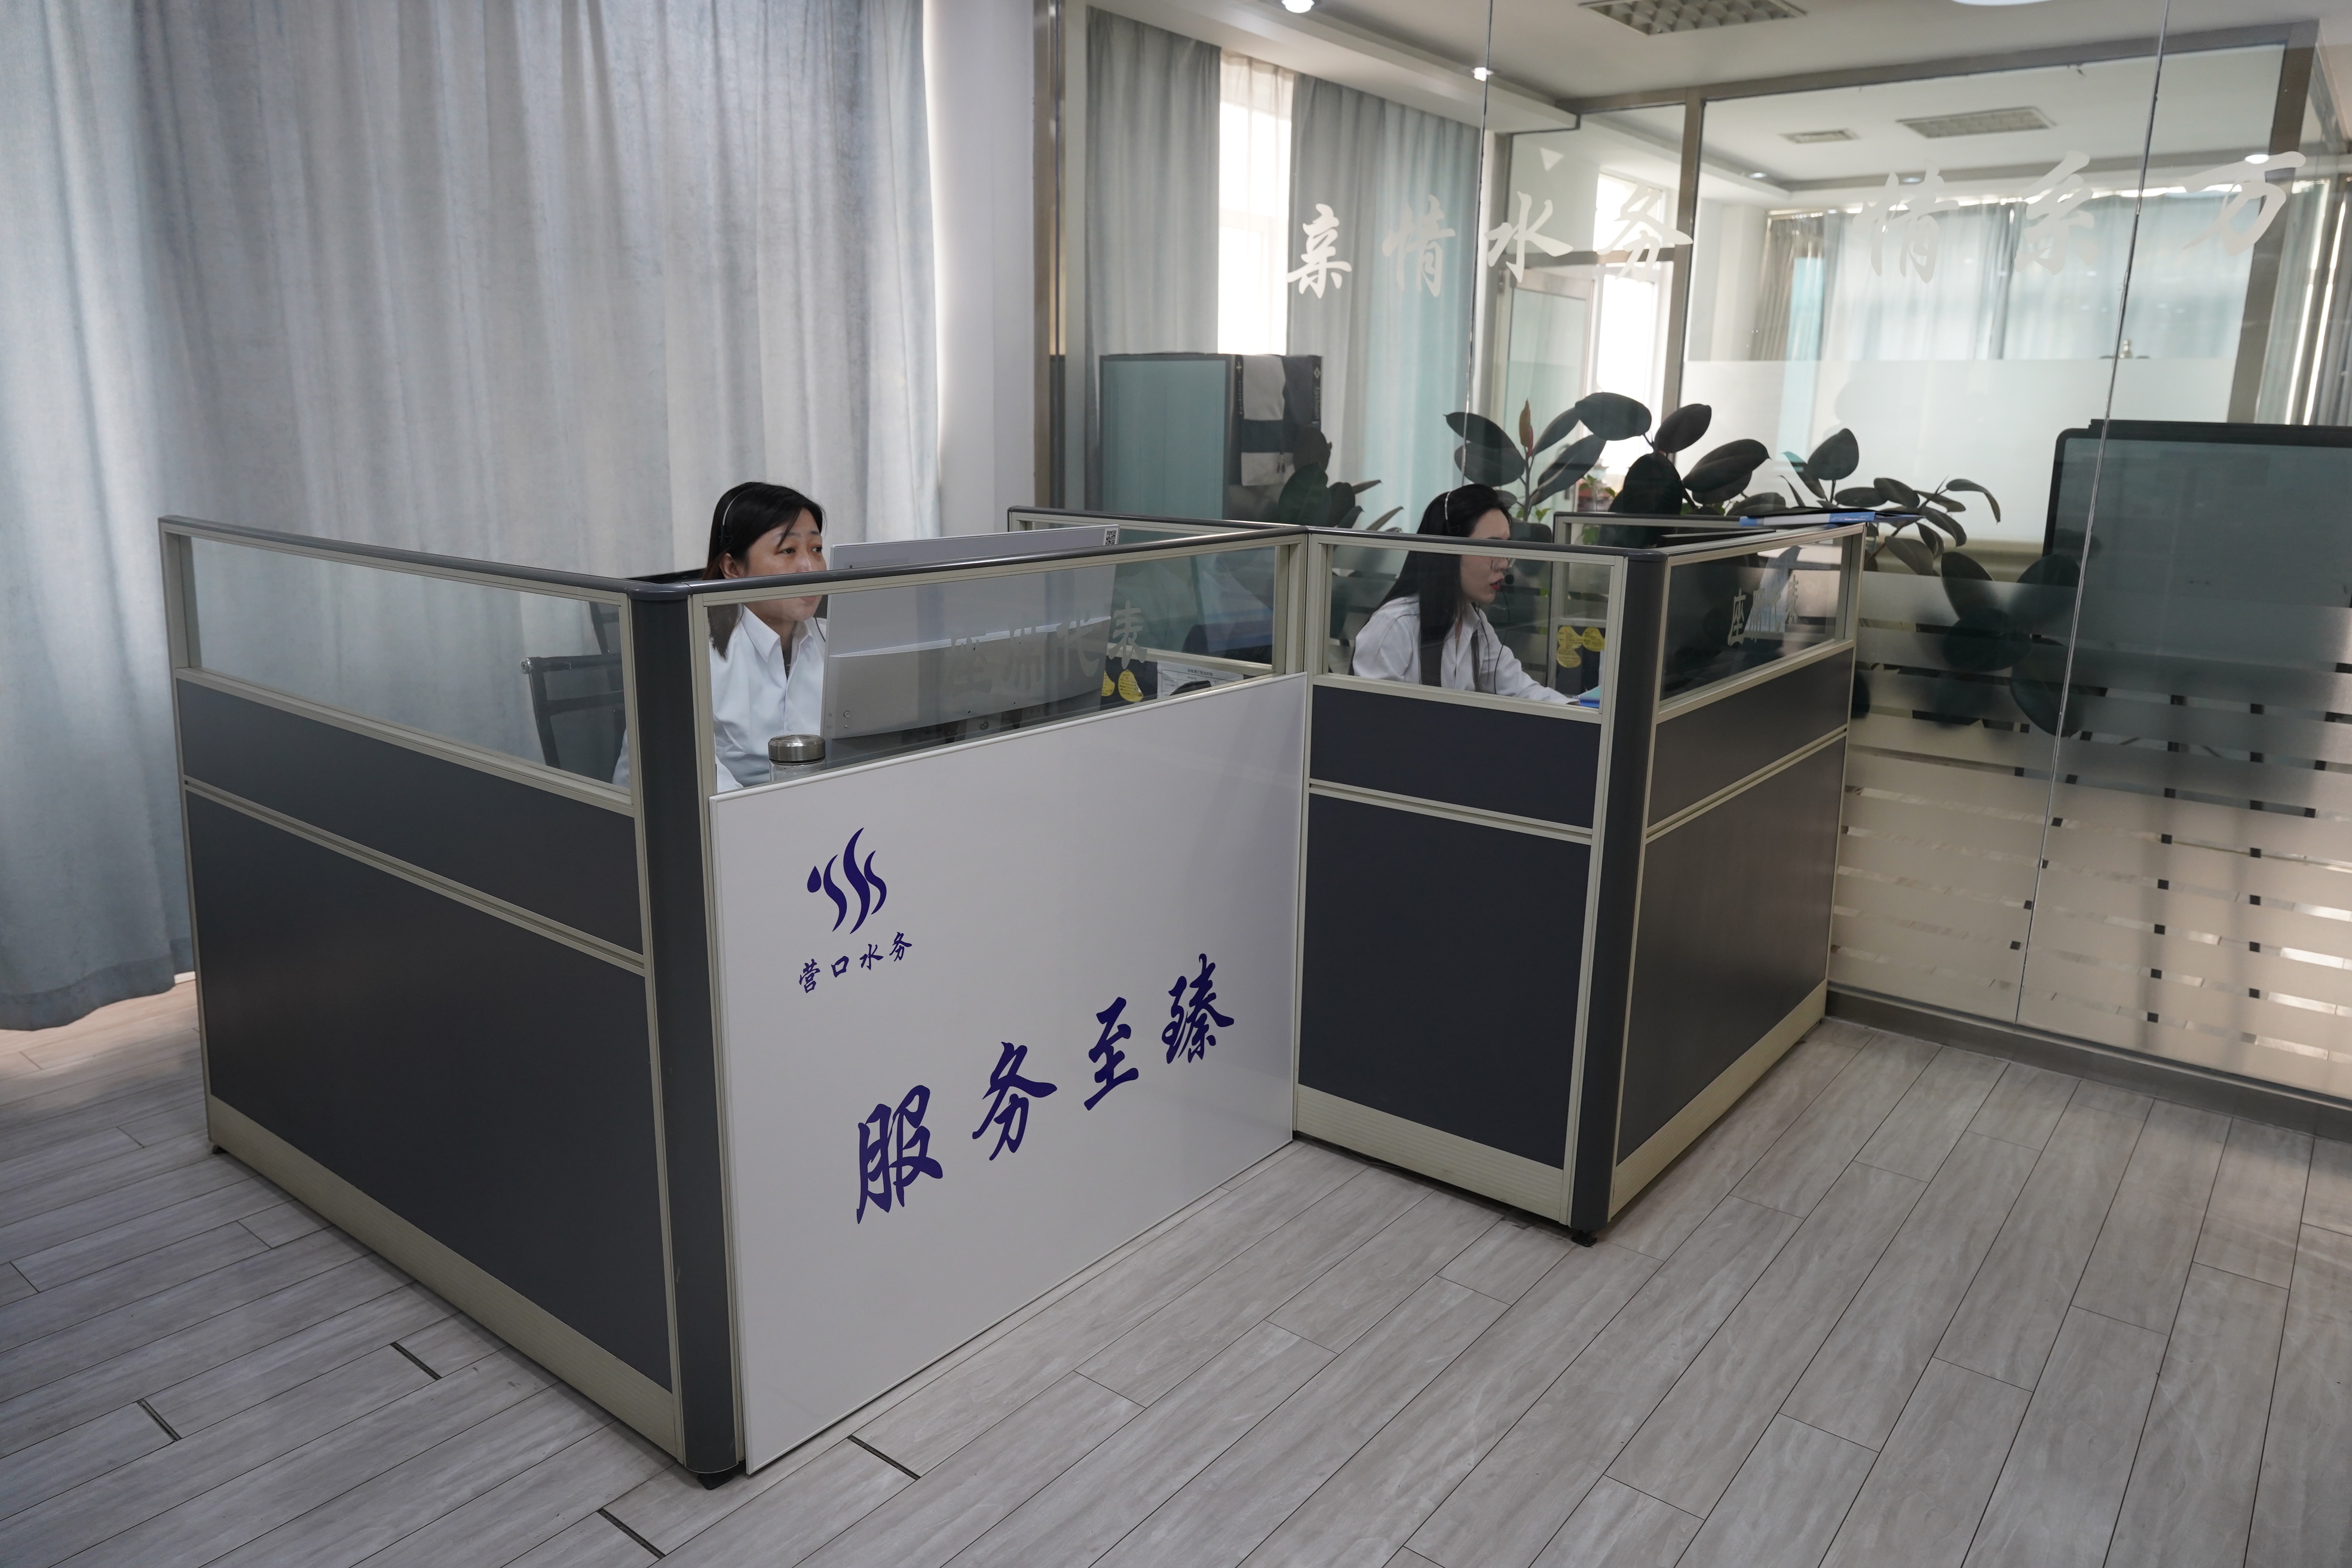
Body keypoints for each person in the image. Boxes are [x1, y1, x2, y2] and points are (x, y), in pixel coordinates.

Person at [614, 482, 830, 792]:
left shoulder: (832, 640)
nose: (811, 567)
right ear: (733, 568)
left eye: (817, 549)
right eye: (788, 551)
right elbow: (688, 777)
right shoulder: (687, 651)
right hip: (708, 812)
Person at [1350, 483, 1571, 705]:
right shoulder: (1395, 625)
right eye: (1492, 549)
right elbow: (1369, 716)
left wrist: (1578, 710)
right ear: (1449, 551)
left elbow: (1520, 689)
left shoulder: (1474, 624)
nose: (1504, 564)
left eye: (1506, 550)